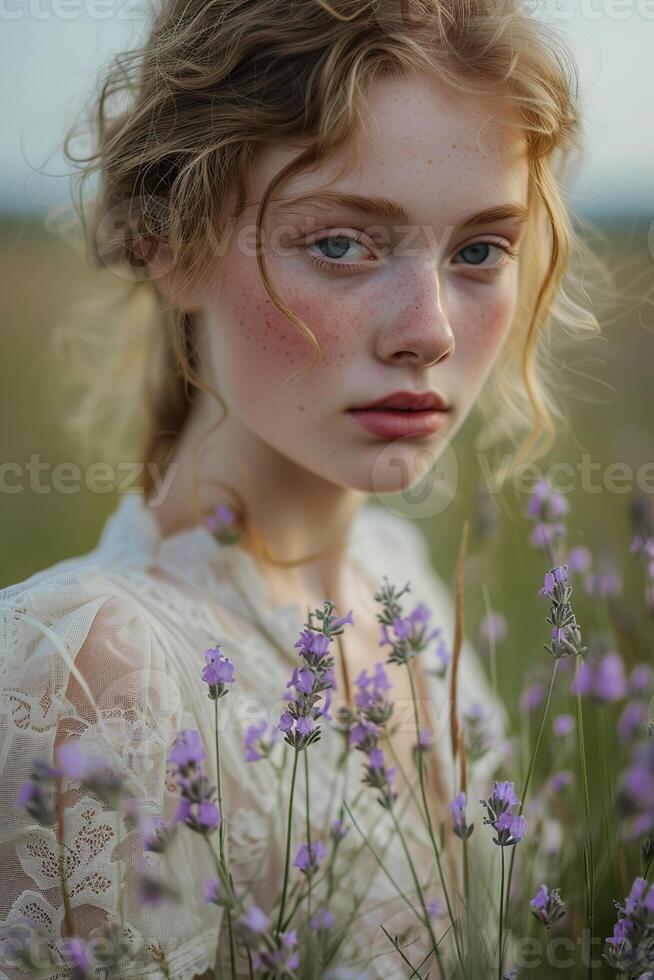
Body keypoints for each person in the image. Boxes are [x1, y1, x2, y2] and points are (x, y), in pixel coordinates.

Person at [0, 0, 599, 976]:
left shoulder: (401, 591)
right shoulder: (87, 670)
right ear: (170, 243)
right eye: (342, 243)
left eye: (481, 249)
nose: (433, 330)